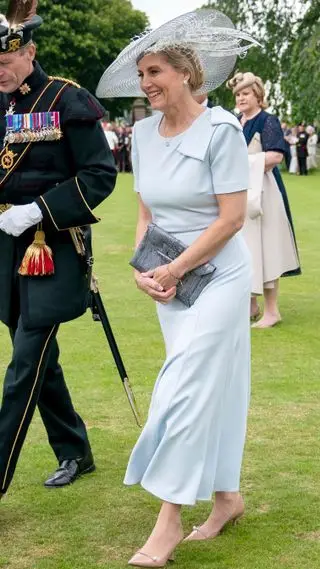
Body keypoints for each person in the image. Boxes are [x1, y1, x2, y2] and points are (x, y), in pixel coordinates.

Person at [97, 9, 258, 567]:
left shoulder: (222, 131)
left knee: (182, 388)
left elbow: (231, 219)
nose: (146, 83)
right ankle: (226, 497)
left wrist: (176, 268)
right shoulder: (142, 132)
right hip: (174, 288)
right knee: (215, 387)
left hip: (220, 279)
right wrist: (149, 269)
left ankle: (167, 520)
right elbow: (147, 209)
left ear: (186, 72)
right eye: (141, 74)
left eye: (156, 70)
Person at [0, 3, 117, 499]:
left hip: (51, 249)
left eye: (5, 63)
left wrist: (37, 211)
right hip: (6, 250)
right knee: (39, 358)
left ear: (30, 51)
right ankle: (75, 449)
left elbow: (100, 175)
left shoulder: (68, 99)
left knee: (24, 363)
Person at [227, 72, 301, 328]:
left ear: (258, 95)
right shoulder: (236, 121)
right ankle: (251, 306)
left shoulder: (268, 121)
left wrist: (242, 162)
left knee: (265, 248)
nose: (241, 98)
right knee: (243, 249)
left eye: (245, 93)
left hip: (265, 192)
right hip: (240, 191)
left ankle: (272, 311)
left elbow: (276, 157)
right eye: (238, 94)